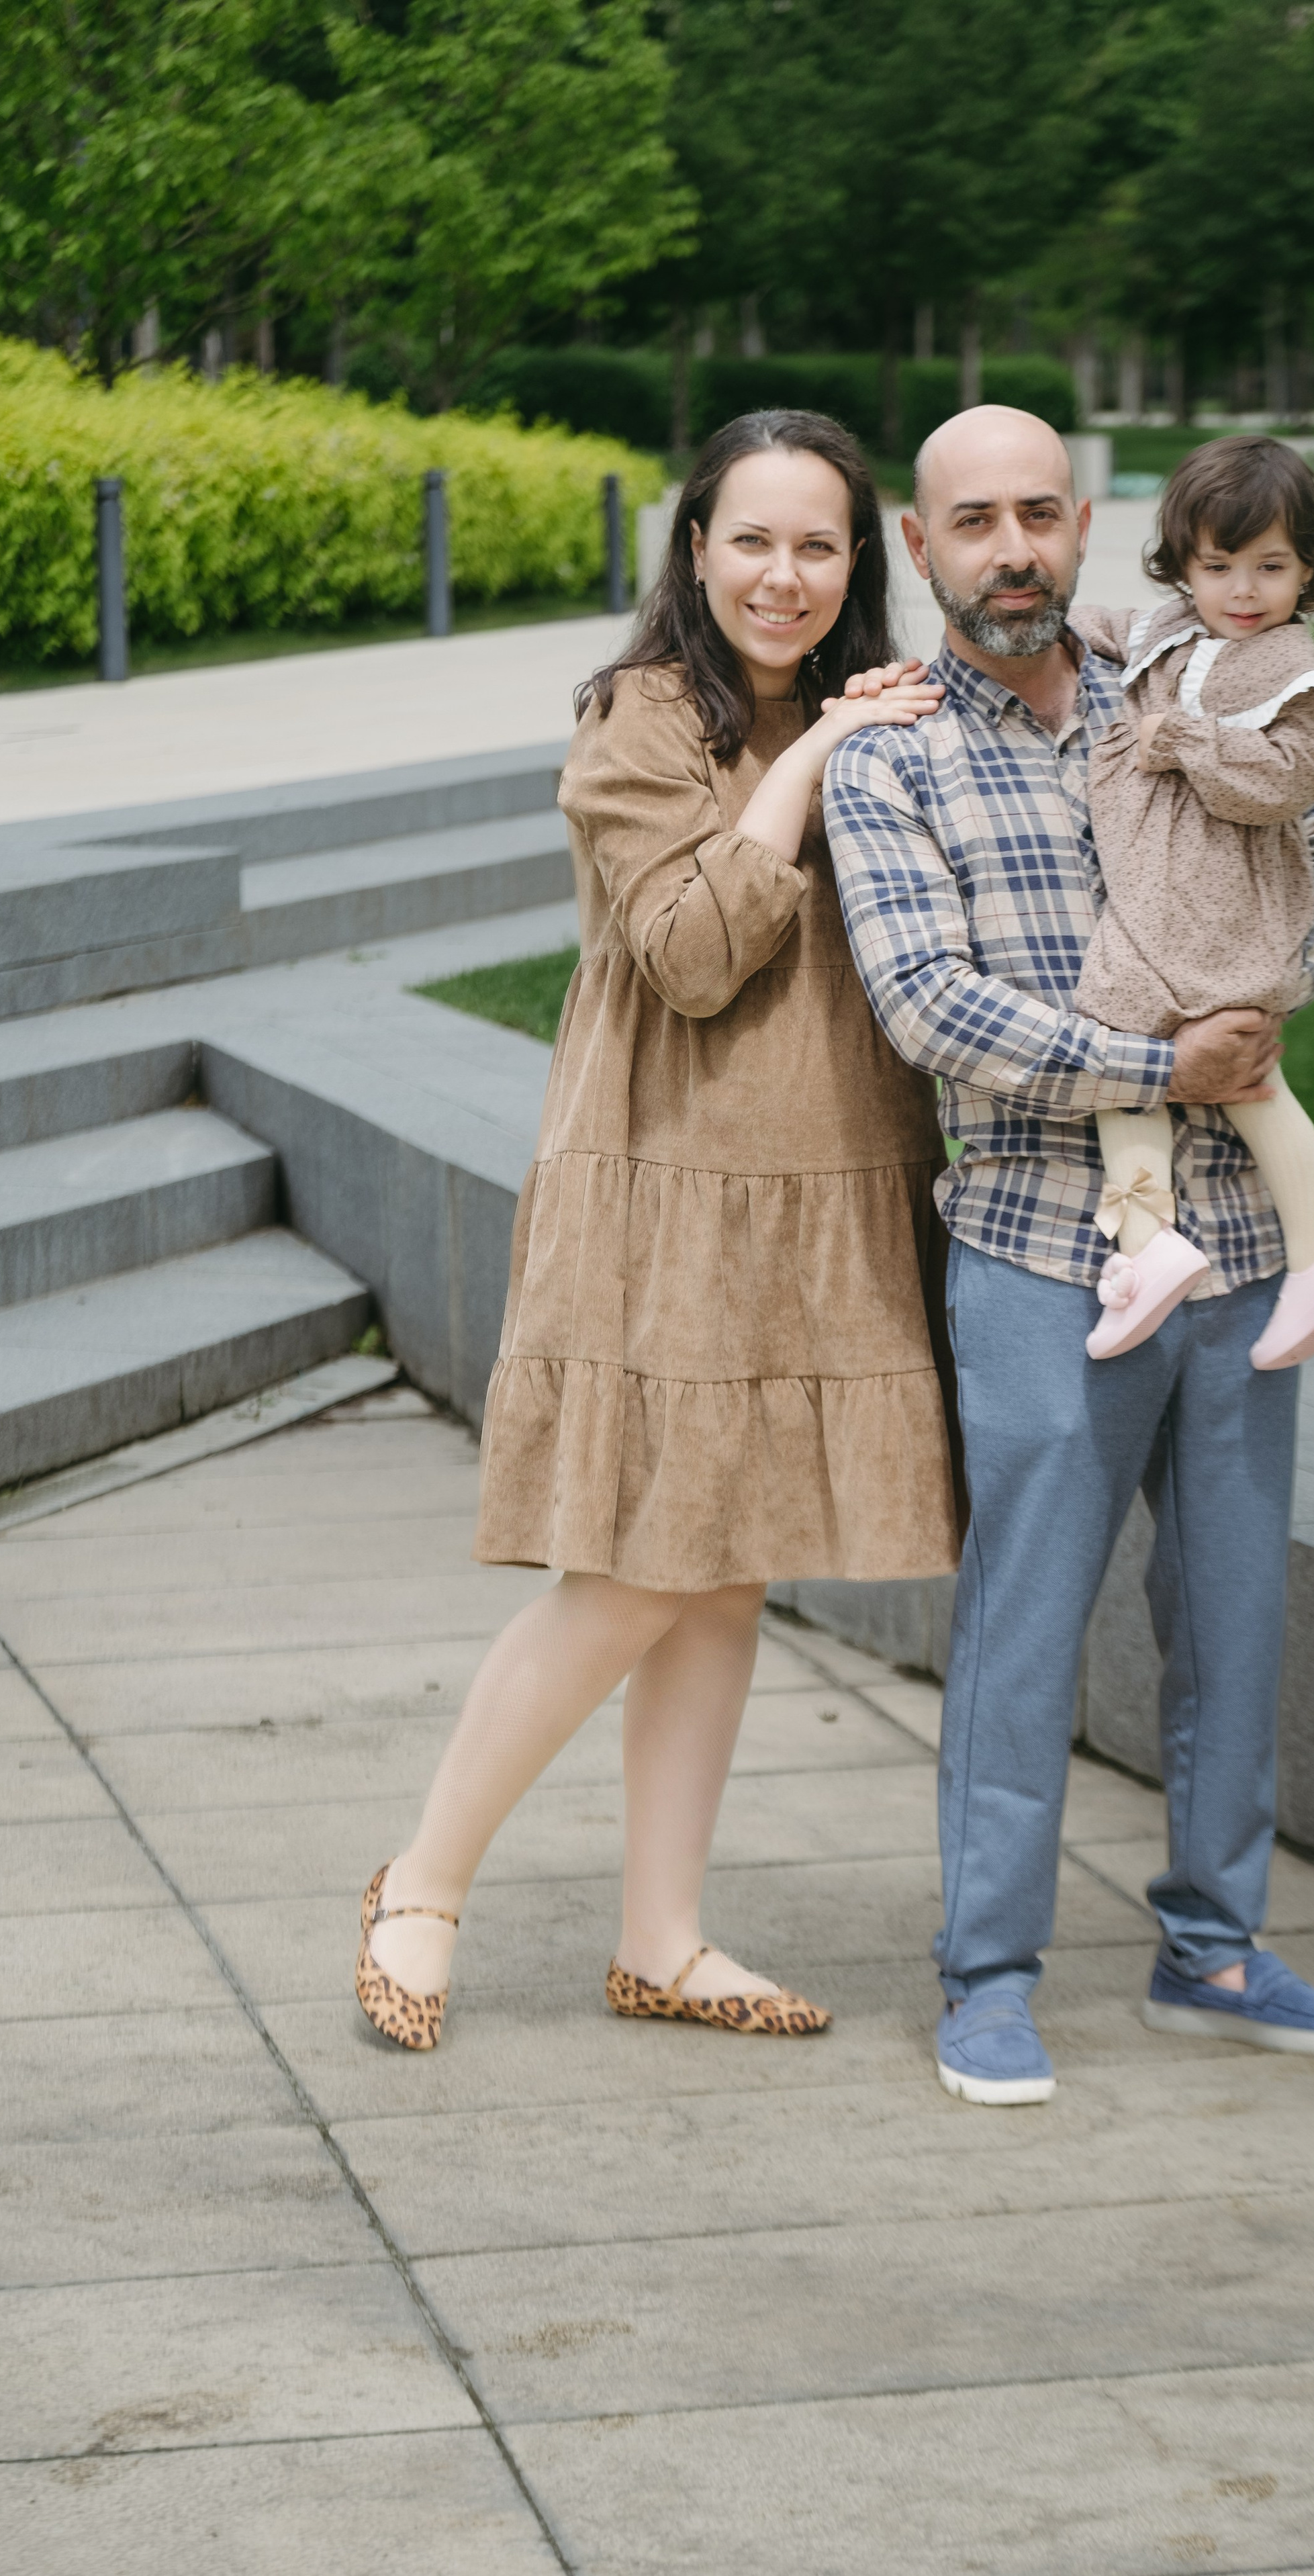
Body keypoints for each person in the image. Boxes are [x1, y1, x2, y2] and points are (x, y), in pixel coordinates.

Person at [355, 409, 959, 2053]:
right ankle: (421, 1883)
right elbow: (694, 952)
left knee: (723, 1578)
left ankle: (663, 1940)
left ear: (859, 563)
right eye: (750, 539)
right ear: (694, 548)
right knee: (628, 1574)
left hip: (826, 1192)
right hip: (666, 1188)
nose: (782, 574)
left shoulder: (899, 718)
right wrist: (823, 759)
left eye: (817, 544)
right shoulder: (640, 723)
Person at [823, 405, 1314, 2109]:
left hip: (1233, 1249)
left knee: (1232, 1615)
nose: (1012, 548)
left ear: (1087, 527)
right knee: (1024, 1623)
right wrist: (1160, 1064)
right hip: (1036, 1252)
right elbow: (929, 1007)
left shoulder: (1184, 675)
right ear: (915, 551)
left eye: (1041, 513)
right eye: (970, 520)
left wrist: (1249, 997)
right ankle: (985, 1976)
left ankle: (1210, 1949)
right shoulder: (891, 753)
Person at [1076, 434, 1314, 1371]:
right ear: (1185, 567)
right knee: (1215, 1070)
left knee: (1146, 1048)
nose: (1243, 591)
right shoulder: (1177, 627)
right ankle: (1300, 1255)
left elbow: (1295, 777)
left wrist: (1188, 742)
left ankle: (1156, 1248)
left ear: (1308, 572)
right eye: (1219, 566)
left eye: (1271, 567)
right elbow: (1117, 626)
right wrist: (1065, 621)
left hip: (1218, 900)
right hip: (1169, 893)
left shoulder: (1284, 666)